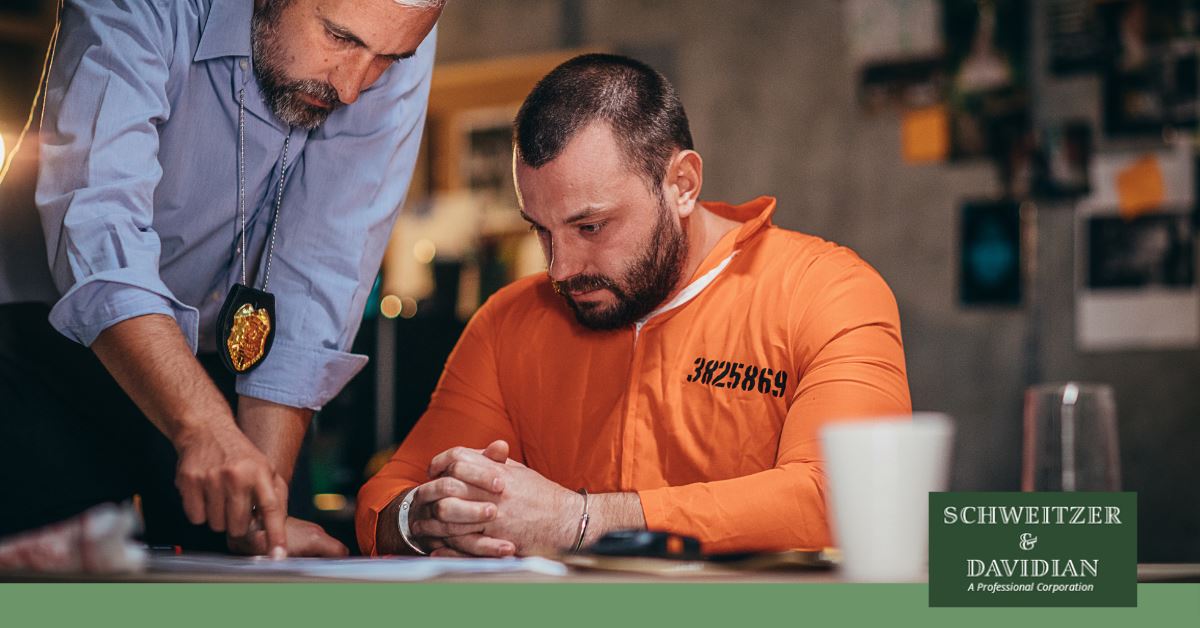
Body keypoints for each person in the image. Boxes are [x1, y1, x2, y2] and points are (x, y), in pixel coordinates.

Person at [355, 53, 912, 558]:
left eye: (590, 226)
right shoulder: (508, 322)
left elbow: (849, 500)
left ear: (683, 185)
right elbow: (384, 499)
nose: (560, 269)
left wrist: (582, 521)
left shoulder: (826, 292)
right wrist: (428, 517)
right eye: (542, 232)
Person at [0, 0, 443, 557]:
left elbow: (323, 267)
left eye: (388, 59)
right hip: (43, 342)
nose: (354, 88)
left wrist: (264, 519)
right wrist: (203, 428)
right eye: (338, 38)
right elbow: (98, 221)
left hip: (233, 365)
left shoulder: (396, 31)